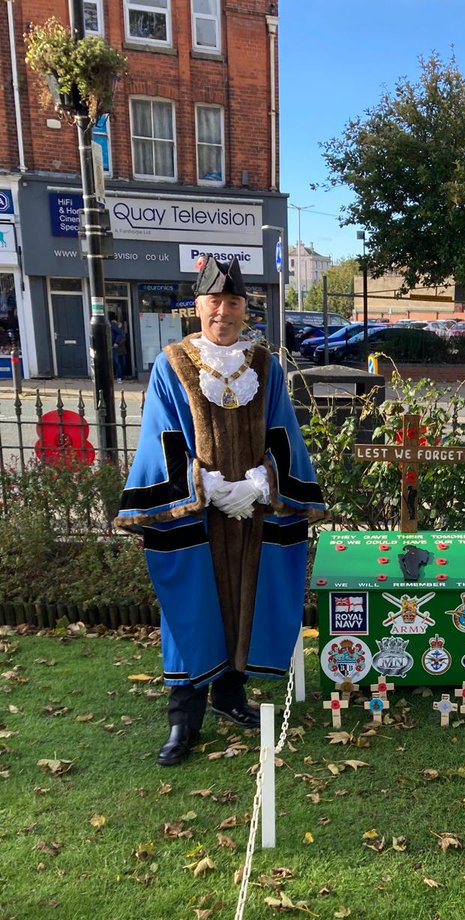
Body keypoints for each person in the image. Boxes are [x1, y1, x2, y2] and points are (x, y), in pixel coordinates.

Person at [115, 255, 326, 765]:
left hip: (251, 511)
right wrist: (204, 485)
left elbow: (282, 430)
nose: (223, 312)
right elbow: (161, 434)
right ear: (197, 305)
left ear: (245, 308)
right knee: (194, 609)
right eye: (215, 301)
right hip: (198, 511)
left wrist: (261, 483)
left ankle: (231, 699)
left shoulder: (264, 365)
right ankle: (183, 719)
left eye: (233, 302)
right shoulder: (172, 363)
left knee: (243, 601)